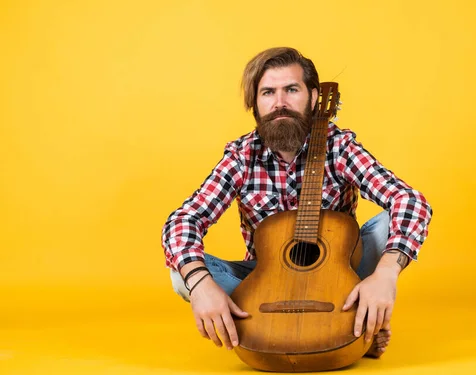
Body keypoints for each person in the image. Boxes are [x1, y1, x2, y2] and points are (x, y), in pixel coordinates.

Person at [161, 47, 433, 359]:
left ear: (314, 97)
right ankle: (307, 327)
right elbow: (184, 220)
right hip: (265, 282)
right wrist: (202, 286)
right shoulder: (240, 156)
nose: (280, 103)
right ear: (255, 103)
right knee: (183, 273)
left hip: (338, 277)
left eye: (291, 89)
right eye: (268, 92)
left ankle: (358, 311)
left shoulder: (339, 146)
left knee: (390, 222)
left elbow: (409, 200)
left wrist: (385, 275)